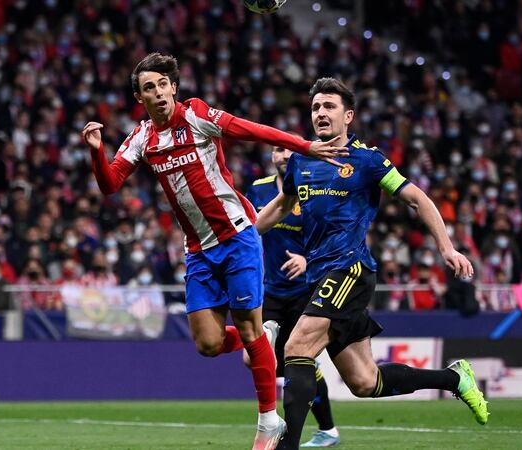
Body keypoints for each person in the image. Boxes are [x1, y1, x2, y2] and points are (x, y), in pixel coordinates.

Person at [81, 53, 347, 450]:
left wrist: (305, 147)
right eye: (148, 88)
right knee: (207, 344)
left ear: (174, 86)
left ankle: (268, 421)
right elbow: (110, 184)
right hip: (199, 251)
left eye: (162, 84)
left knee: (250, 324)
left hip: (238, 236)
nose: (157, 93)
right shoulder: (141, 138)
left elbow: (253, 130)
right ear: (141, 97)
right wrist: (96, 151)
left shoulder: (198, 115)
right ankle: (260, 340)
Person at [255, 78, 489, 449]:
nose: (321, 114)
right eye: (316, 107)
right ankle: (454, 379)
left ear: (348, 116)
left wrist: (446, 247)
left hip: (350, 269)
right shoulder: (300, 159)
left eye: (329, 107)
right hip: (320, 277)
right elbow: (282, 205)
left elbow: (418, 199)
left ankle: (287, 446)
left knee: (296, 348)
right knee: (365, 382)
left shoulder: (368, 160)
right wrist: (241, 237)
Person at [246, 144, 340, 448]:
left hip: (304, 290)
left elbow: (330, 237)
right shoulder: (258, 190)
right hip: (269, 290)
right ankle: (323, 429)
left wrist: (306, 260)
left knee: (301, 362)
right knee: (256, 359)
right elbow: (247, 232)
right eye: (277, 150)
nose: (284, 155)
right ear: (271, 157)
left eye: (290, 151)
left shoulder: (314, 190)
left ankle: (327, 430)